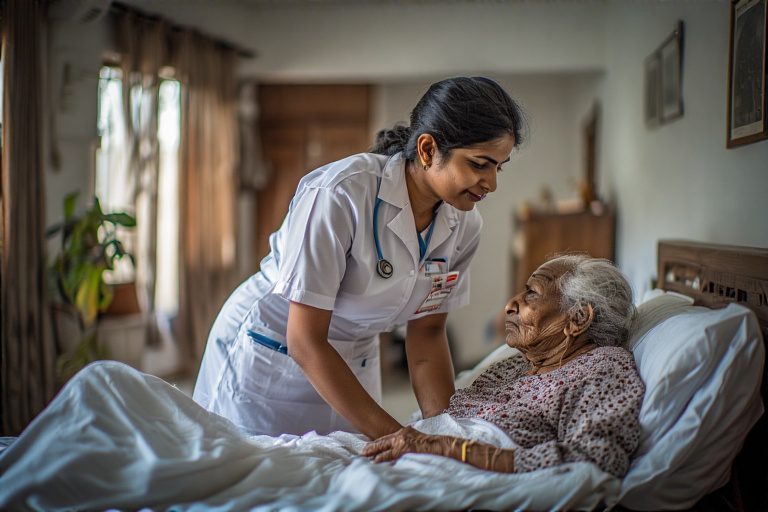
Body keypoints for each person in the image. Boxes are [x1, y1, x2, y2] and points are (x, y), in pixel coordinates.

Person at [192, 76, 526, 439]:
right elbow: (305, 340)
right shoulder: (340, 195)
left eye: (498, 166)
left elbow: (427, 335)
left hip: (353, 357)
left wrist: (445, 433)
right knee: (257, 463)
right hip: (275, 351)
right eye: (479, 164)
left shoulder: (464, 226)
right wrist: (399, 437)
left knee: (353, 464)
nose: (491, 183)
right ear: (428, 149)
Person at [364, 254, 645, 478]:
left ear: (579, 318)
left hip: (456, 471)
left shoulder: (604, 367)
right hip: (422, 453)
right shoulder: (518, 364)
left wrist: (448, 448)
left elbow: (598, 458)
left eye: (532, 294)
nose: (511, 304)